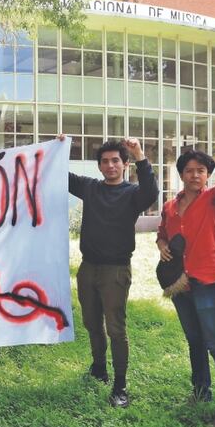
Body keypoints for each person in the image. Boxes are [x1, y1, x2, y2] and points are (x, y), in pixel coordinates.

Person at [156, 103, 215, 425]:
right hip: (179, 284)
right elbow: (162, 233)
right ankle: (200, 391)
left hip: (208, 283)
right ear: (181, 174)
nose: (195, 175)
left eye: (201, 171)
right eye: (190, 170)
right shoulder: (170, 205)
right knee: (194, 341)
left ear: (208, 176)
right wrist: (163, 243)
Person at [67, 137, 159, 408]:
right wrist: (58, 146)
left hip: (116, 271)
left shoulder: (133, 194)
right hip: (88, 268)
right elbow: (58, 174)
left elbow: (151, 191)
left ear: (125, 164)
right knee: (91, 323)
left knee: (116, 329)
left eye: (116, 161)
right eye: (105, 161)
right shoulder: (91, 188)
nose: (110, 165)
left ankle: (120, 385)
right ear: (99, 166)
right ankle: (99, 368)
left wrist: (140, 153)